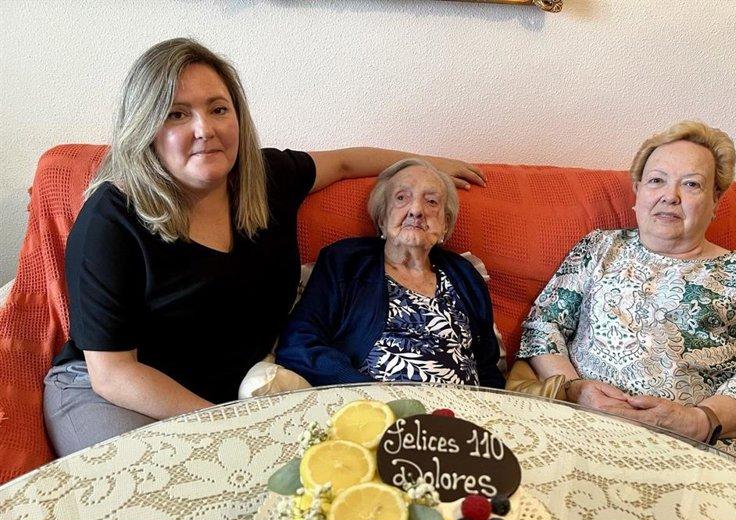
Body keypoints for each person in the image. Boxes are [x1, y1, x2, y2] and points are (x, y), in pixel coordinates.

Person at [43, 38, 486, 456]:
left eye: (218, 108)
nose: (205, 130)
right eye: (176, 114)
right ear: (145, 127)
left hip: (230, 396)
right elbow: (114, 373)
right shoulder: (113, 216)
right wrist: (228, 423)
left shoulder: (268, 179)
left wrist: (429, 166)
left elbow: (348, 160)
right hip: (113, 395)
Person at [519, 121, 736, 472]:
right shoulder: (599, 247)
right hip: (588, 433)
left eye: (692, 184)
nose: (671, 195)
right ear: (637, 193)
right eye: (657, 180)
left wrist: (699, 421)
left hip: (709, 456)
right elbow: (544, 324)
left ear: (716, 201)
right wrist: (574, 389)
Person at [276, 158, 505, 388]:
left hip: (462, 416)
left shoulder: (465, 275)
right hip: (376, 412)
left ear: (445, 224)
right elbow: (298, 343)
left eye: (432, 201)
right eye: (401, 198)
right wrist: (361, 388)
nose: (416, 210)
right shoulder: (345, 262)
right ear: (382, 219)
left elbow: (487, 367)